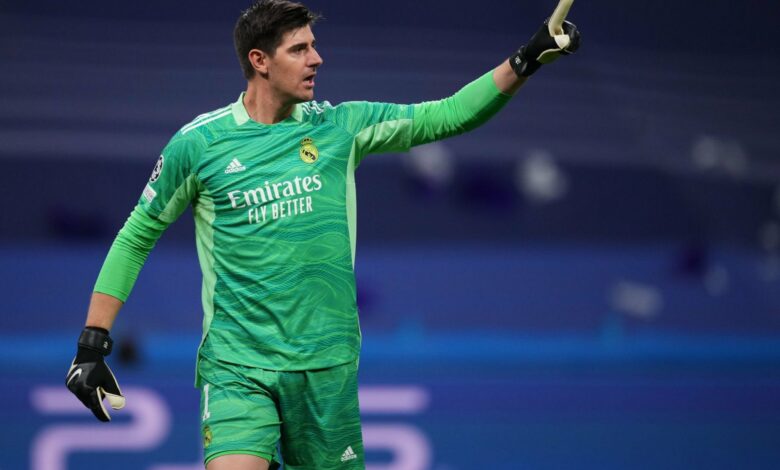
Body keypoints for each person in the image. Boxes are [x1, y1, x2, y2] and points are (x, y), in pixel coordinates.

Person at [64, 1, 580, 468]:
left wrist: (524, 60)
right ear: (260, 61)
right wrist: (92, 345)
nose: (317, 59)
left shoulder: (341, 127)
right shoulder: (200, 145)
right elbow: (136, 236)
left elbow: (448, 115)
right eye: (300, 49)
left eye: (313, 45)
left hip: (326, 365)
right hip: (238, 364)